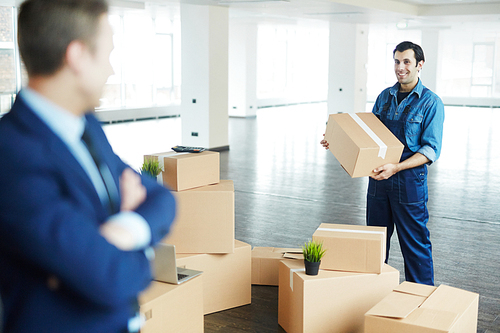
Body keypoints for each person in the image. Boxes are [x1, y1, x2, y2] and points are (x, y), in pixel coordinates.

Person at [0, 0, 176, 332]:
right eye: (107, 54)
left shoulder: (86, 127)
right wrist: (144, 252)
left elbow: (162, 199)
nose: (111, 70)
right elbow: (111, 278)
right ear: (77, 56)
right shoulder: (11, 155)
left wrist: (125, 230)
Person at [321, 41, 444, 286]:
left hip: (408, 182)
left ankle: (421, 297)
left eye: (407, 62)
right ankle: (375, 291)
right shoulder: (384, 97)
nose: (401, 67)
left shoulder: (431, 103)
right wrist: (336, 140)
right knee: (375, 242)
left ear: (419, 65)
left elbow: (430, 150)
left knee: (415, 244)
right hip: (378, 180)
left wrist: (396, 167)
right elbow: (369, 137)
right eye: (397, 61)